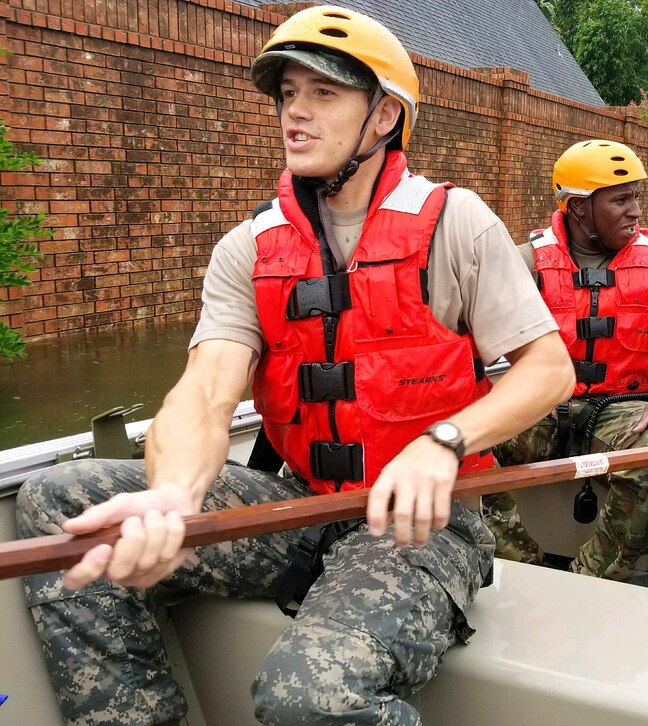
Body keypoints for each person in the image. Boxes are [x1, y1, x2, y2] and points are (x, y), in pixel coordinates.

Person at [15, 6, 573, 725]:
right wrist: (176, 495)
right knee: (59, 503)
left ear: (383, 117)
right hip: (297, 506)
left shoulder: (455, 224)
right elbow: (207, 390)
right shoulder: (247, 249)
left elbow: (548, 369)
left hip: (420, 525)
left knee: (308, 700)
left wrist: (445, 443)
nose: (296, 114)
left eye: (325, 93)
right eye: (288, 95)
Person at [481, 140, 648, 581]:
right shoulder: (525, 261)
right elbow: (476, 341)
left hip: (625, 407)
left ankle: (588, 578)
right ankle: (518, 564)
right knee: (453, 446)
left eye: (637, 198)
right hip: (539, 403)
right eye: (621, 199)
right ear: (580, 207)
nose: (636, 211)